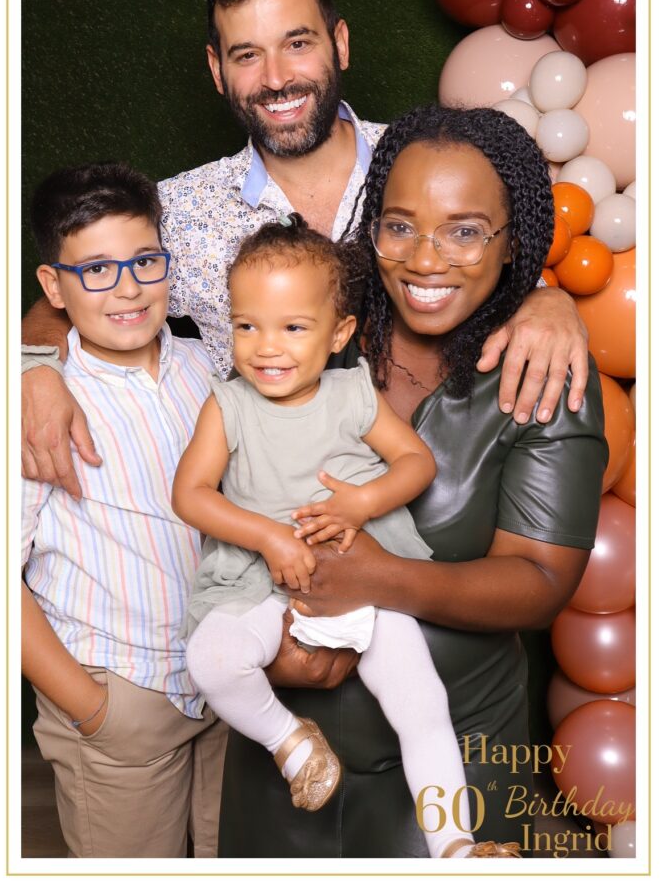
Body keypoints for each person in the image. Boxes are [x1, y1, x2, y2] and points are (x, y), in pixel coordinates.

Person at [21, 0, 590, 505]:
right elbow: (76, 286)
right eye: (247, 55)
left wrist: (550, 298)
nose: (275, 78)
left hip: (445, 499)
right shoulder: (183, 211)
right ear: (217, 70)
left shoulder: (424, 162)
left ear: (339, 43)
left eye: (297, 43)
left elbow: (492, 259)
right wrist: (35, 366)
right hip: (271, 524)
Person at [216, 105, 608, 858]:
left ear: (512, 243)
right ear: (372, 228)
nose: (425, 259)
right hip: (286, 758)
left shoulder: (540, 367)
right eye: (399, 225)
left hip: (452, 774)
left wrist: (380, 579)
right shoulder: (307, 333)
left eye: (464, 231)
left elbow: (540, 580)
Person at [171, 215, 518, 858]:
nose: (266, 346)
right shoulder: (228, 405)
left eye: (293, 327)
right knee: (210, 662)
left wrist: (362, 502)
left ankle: (454, 844)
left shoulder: (353, 394)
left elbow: (416, 463)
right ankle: (290, 740)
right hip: (260, 583)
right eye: (247, 326)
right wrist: (270, 537)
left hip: (365, 582)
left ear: (340, 334)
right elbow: (189, 495)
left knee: (420, 701)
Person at [21, 163, 226, 858]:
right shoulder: (30, 403)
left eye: (144, 260)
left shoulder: (206, 367)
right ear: (52, 286)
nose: (129, 288)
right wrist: (93, 712)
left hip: (226, 682)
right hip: (122, 693)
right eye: (97, 270)